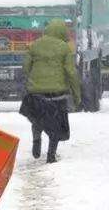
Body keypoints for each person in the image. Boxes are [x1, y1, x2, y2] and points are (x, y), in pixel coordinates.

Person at [20, 19, 81, 163]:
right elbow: (71, 73)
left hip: (36, 93)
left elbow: (26, 67)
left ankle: (36, 138)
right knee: (56, 125)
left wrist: (32, 81)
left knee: (37, 118)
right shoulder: (64, 48)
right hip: (57, 94)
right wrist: (76, 95)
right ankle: (51, 154)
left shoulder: (35, 45)